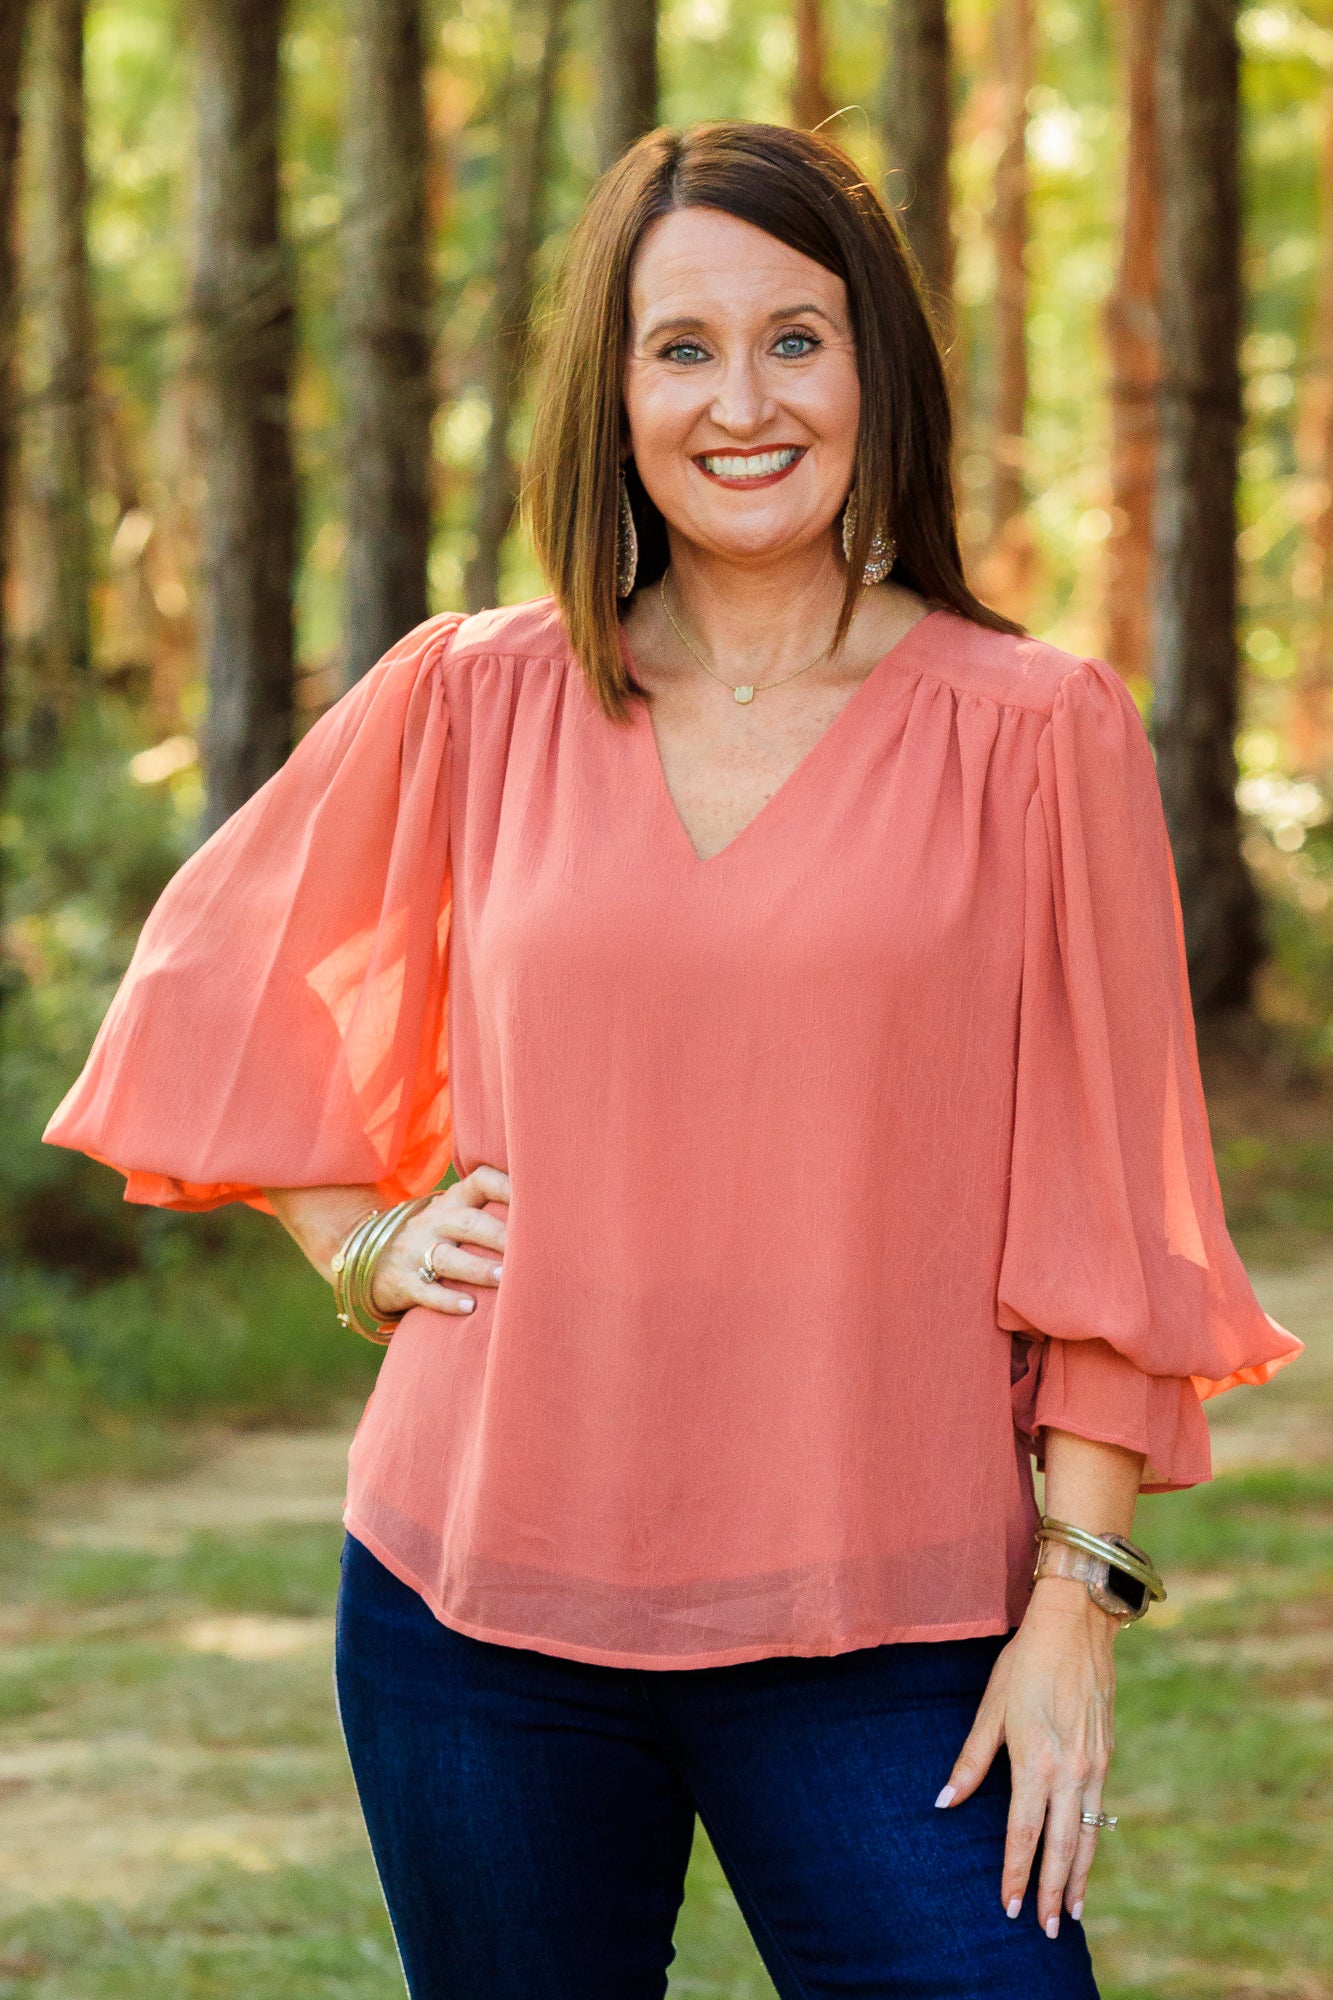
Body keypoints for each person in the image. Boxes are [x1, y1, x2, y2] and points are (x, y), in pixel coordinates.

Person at [45, 122, 1301, 2000]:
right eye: (681, 348)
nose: (742, 403)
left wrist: (1074, 1604)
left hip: (889, 1622)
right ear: (612, 395)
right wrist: (359, 1237)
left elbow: (1107, 1195)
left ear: (876, 370)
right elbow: (216, 981)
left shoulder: (1035, 732)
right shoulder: (477, 693)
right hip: (478, 1610)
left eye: (795, 340)